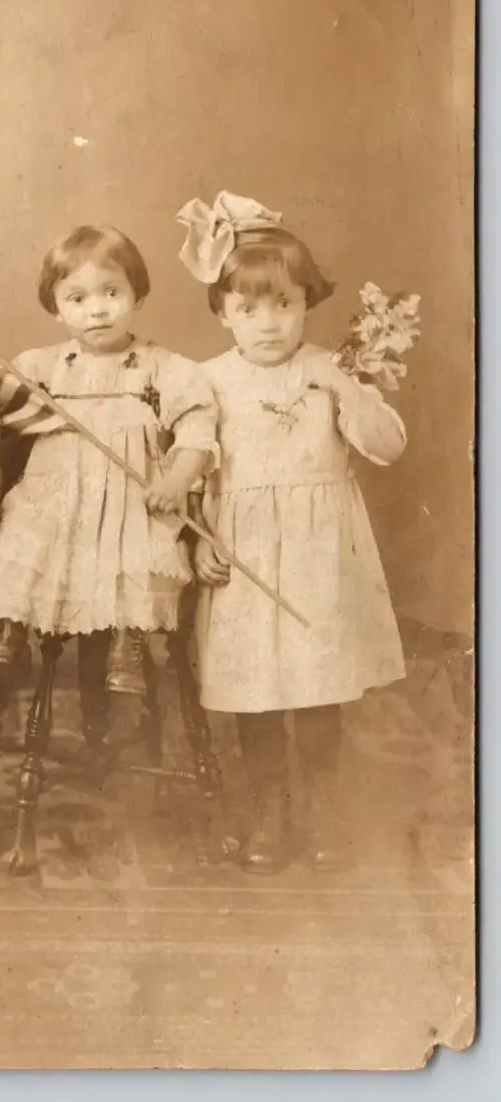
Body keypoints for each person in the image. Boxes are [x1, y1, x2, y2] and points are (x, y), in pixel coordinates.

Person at [179, 190, 407, 874]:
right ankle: (270, 813)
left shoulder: (330, 371)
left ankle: (320, 811)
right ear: (222, 313)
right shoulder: (209, 380)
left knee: (317, 695)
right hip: (244, 554)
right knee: (257, 697)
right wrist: (198, 538)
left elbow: (387, 446)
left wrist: (351, 391)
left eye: (283, 305)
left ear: (307, 302)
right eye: (247, 309)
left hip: (318, 560)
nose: (268, 324)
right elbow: (192, 468)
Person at [0, 225, 220, 759]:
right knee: (23, 542)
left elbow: (199, 425)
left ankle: (128, 643)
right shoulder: (44, 367)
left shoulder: (163, 368)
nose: (97, 310)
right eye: (78, 298)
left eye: (113, 293)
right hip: (59, 505)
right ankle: (11, 632)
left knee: (140, 554)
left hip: (131, 504)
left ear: (136, 294)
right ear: (56, 309)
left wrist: (177, 477)